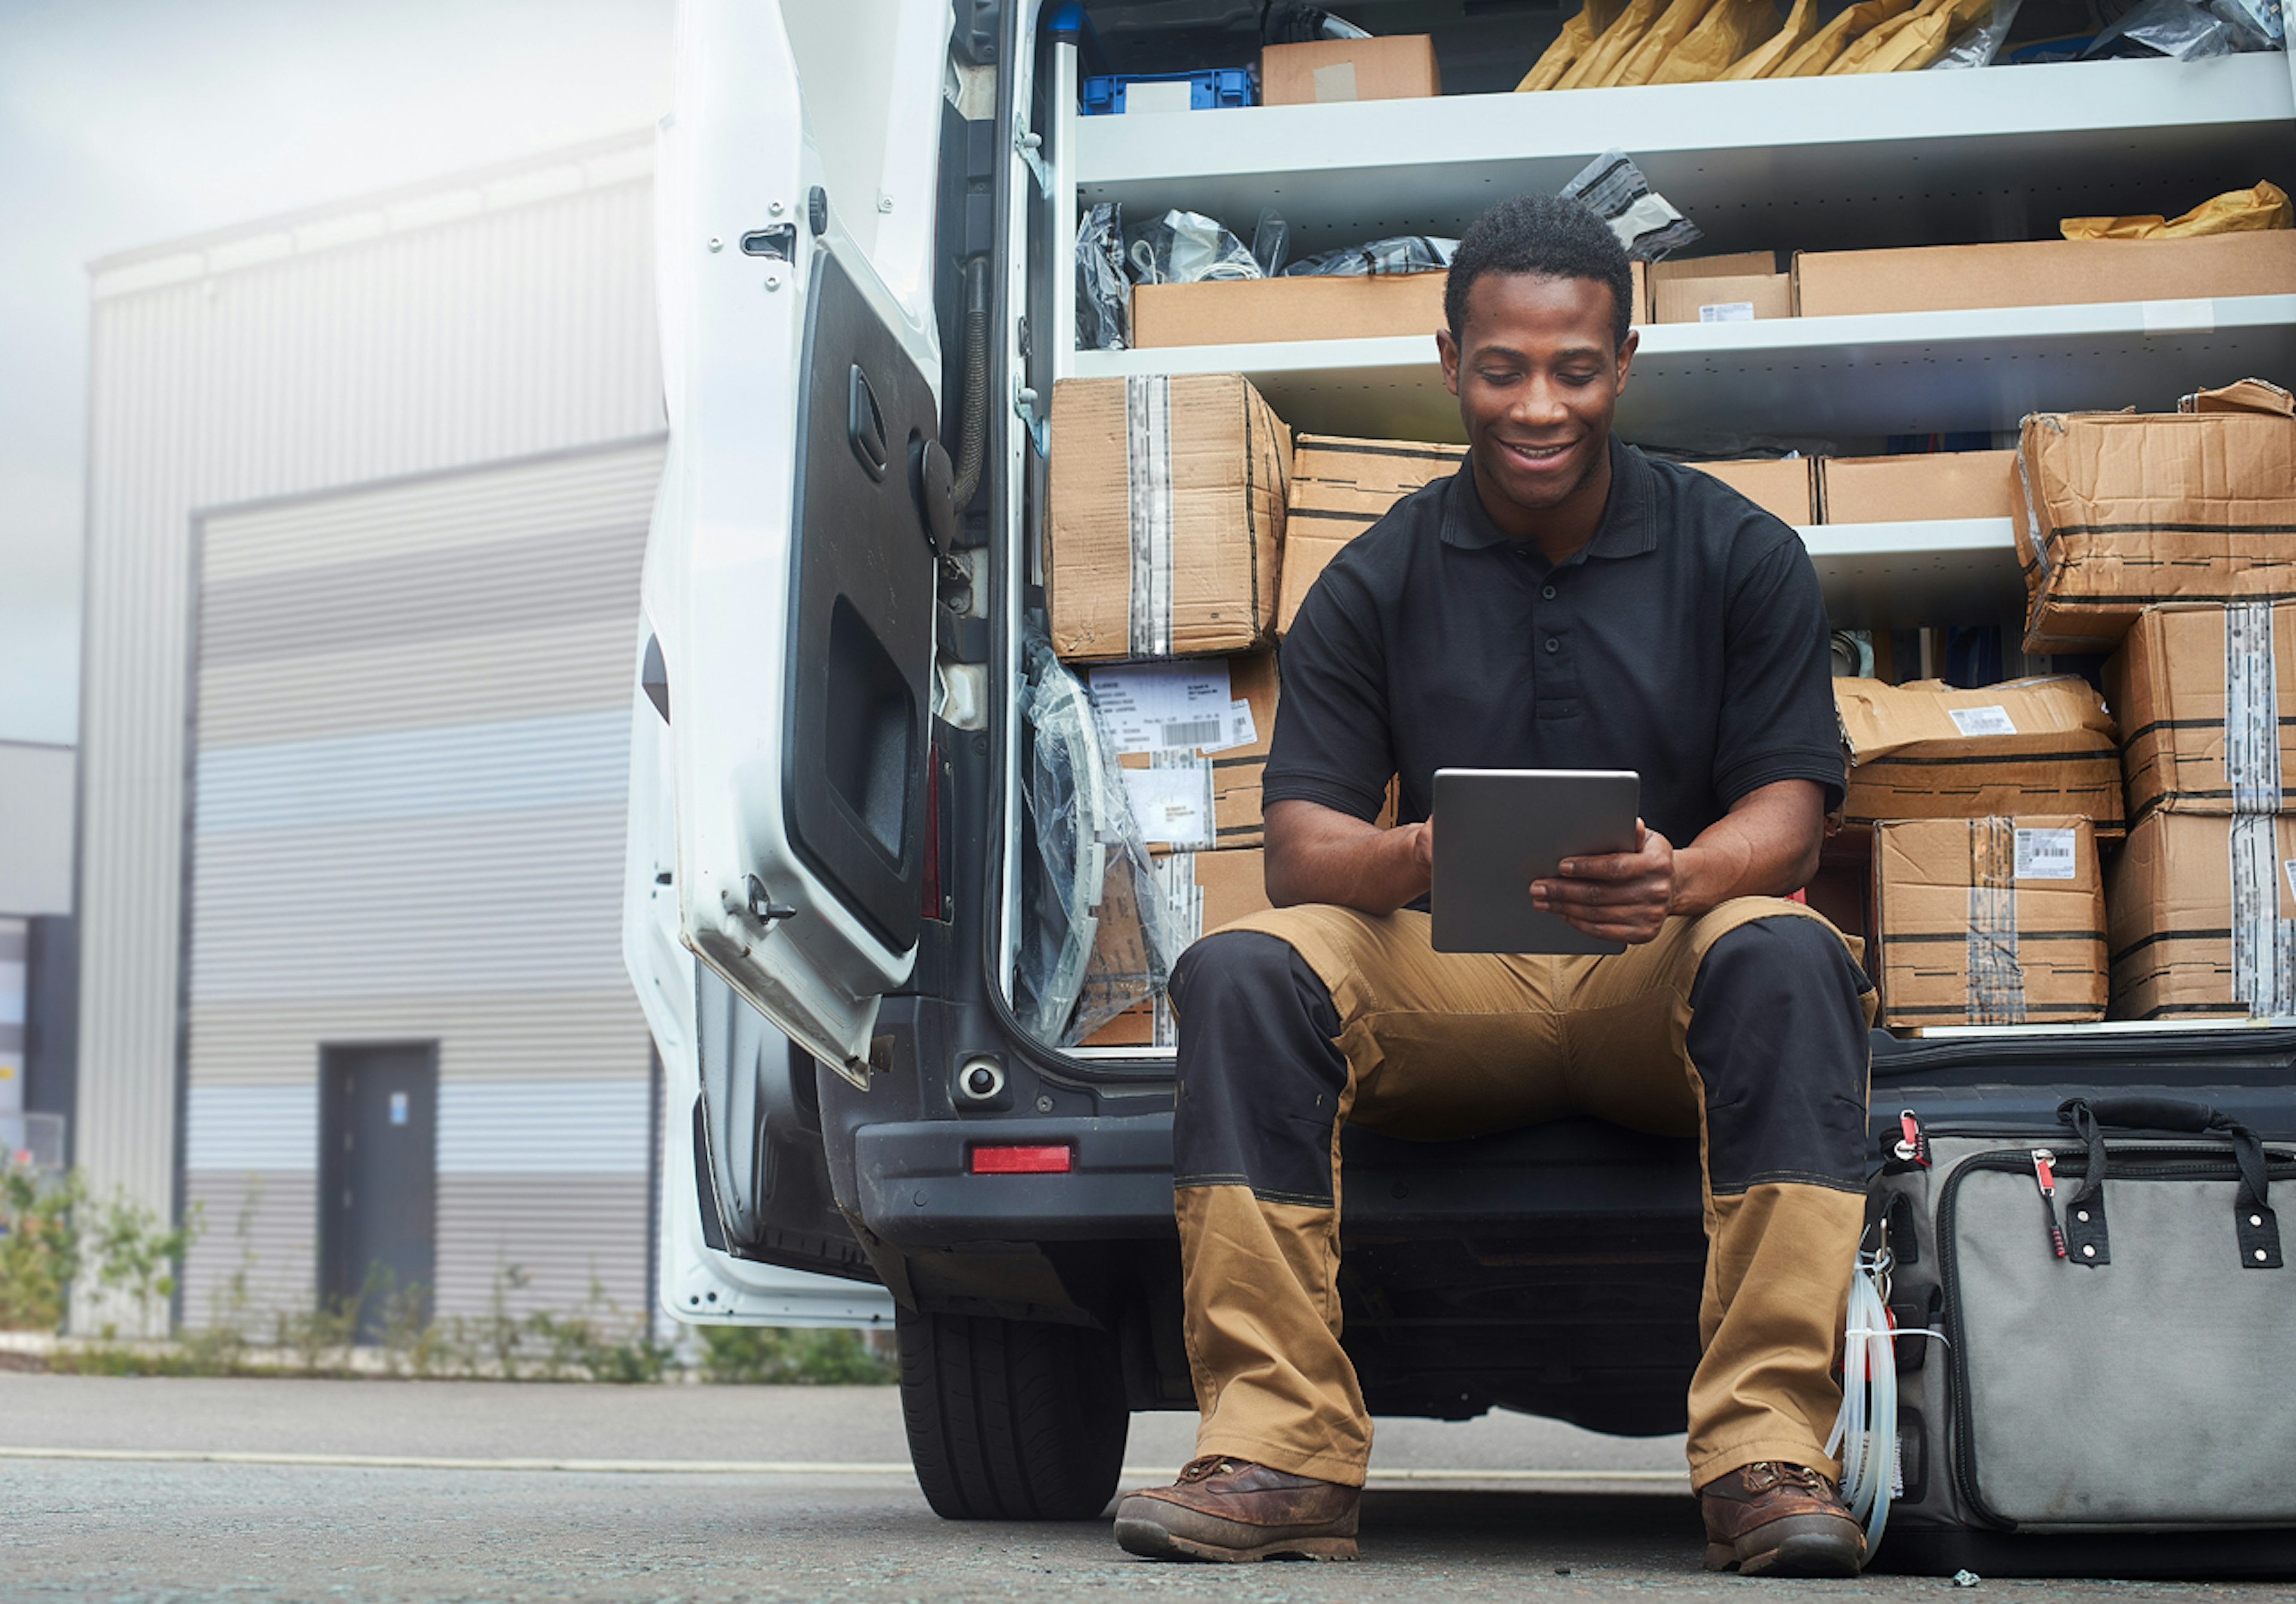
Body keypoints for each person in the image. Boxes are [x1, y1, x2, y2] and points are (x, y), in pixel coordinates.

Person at [1113, 193, 1875, 1576]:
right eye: (1505, 368)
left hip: (1662, 969)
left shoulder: (1736, 551)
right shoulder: (1377, 573)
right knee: (1244, 964)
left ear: (1623, 365)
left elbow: (1795, 813)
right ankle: (1280, 1453)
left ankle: (1768, 1454)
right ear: (1452, 359)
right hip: (1446, 981)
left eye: (1575, 369)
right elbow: (1300, 846)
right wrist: (1429, 854)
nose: (1540, 405)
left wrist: (1688, 871)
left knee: (1790, 947)